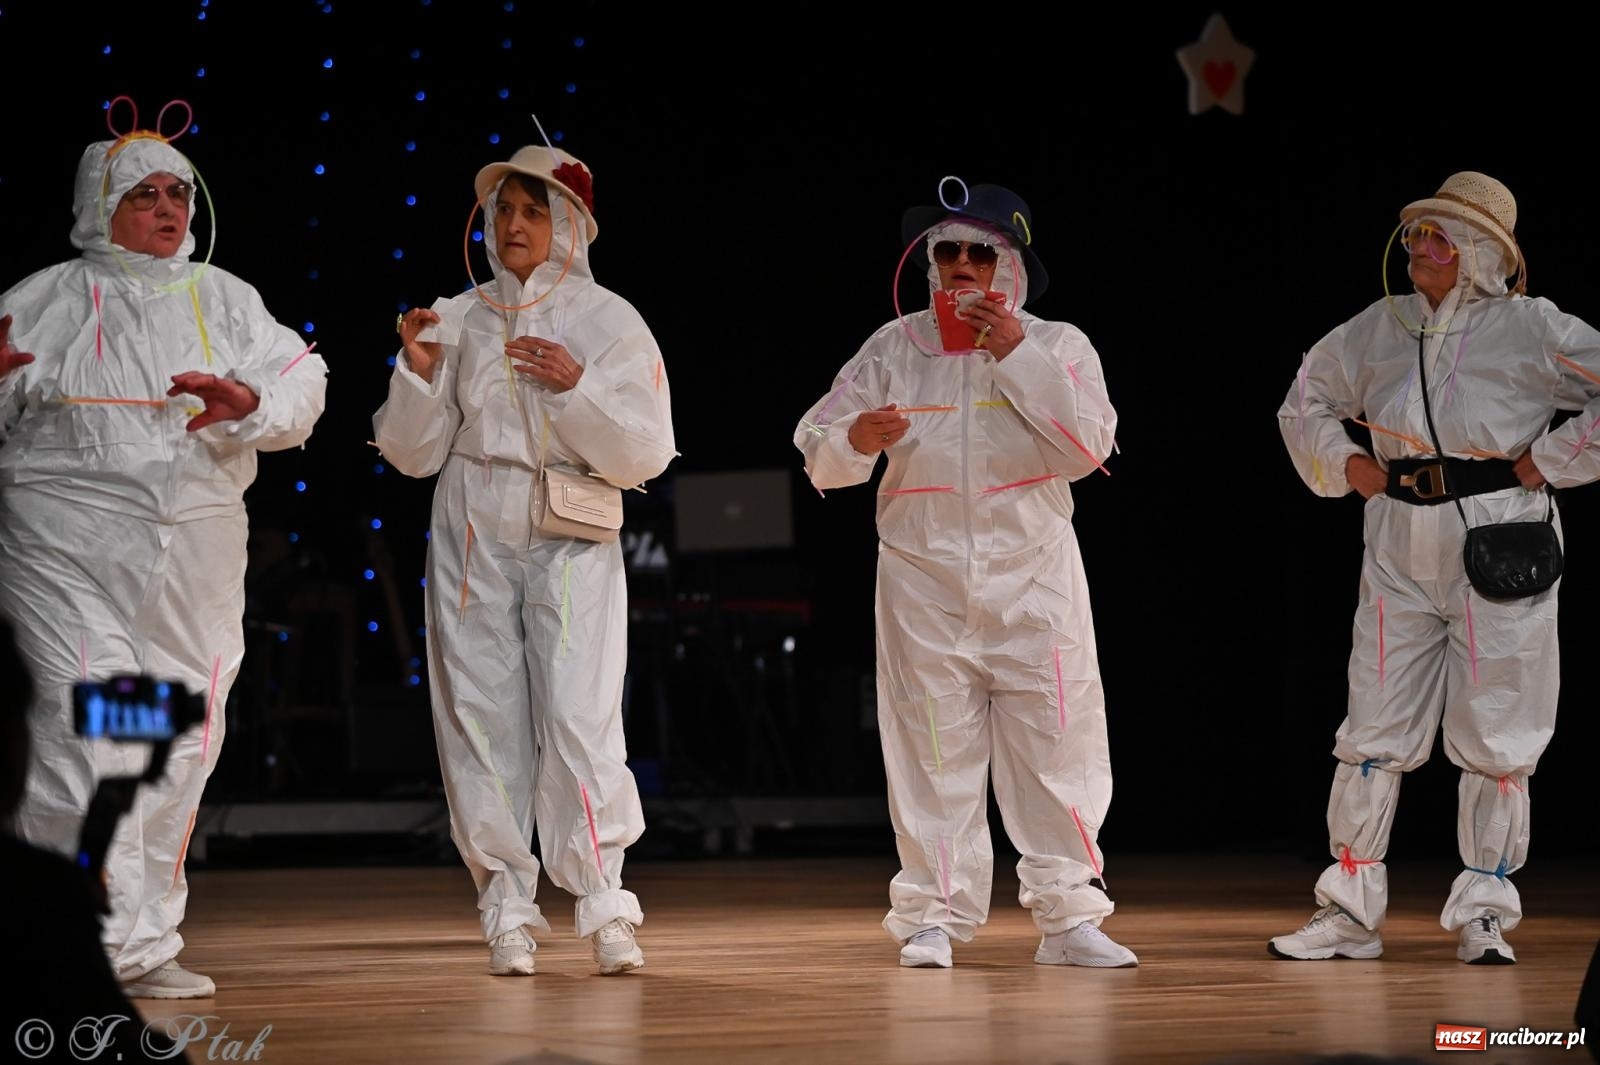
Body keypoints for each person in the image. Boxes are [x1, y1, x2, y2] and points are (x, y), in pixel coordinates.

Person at [0, 126, 329, 998]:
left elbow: (305, 379)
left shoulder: (225, 299)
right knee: (85, 733)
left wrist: (251, 399)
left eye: (177, 194)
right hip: (65, 550)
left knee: (177, 740)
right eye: (143, 195)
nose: (165, 210)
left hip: (197, 550)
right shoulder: (41, 300)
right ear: (98, 207)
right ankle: (59, 934)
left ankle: (140, 943)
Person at [792, 182, 1135, 969]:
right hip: (924, 581)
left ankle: (1069, 917)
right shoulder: (894, 346)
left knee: (1059, 743)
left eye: (982, 252)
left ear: (1011, 266)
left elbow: (1088, 449)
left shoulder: (1060, 345)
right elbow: (817, 439)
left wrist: (1014, 351)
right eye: (948, 252)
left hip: (1034, 578)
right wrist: (855, 434)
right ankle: (933, 914)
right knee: (931, 747)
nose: (962, 267)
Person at [1272, 172, 1600, 964]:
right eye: (1417, 232)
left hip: (1500, 541)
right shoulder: (1380, 326)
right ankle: (1349, 908)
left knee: (1498, 730)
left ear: (1481, 252)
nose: (1421, 246)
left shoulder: (1532, 328)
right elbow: (1304, 397)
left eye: (1440, 235)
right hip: (1397, 541)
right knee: (1373, 727)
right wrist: (1345, 462)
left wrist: (1553, 457)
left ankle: (1485, 906)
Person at [373, 145, 675, 976]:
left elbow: (648, 450)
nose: (512, 225)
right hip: (474, 517)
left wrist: (578, 388)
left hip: (571, 519)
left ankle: (603, 899)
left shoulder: (609, 320)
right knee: (480, 713)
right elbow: (411, 452)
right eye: (504, 209)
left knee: (579, 713)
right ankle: (506, 899)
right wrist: (419, 373)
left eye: (533, 211)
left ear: (569, 226)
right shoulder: (458, 314)